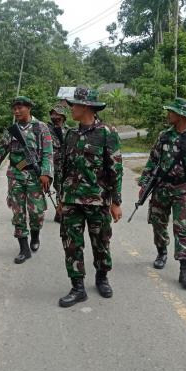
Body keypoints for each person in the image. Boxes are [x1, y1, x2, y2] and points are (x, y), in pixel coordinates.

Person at [58, 86, 123, 308]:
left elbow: (115, 169)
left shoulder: (107, 133)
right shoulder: (70, 134)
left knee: (101, 242)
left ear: (85, 107)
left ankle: (102, 277)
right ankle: (77, 288)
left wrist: (116, 202)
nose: (70, 109)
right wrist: (60, 198)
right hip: (71, 200)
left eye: (73, 105)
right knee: (71, 244)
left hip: (98, 200)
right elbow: (63, 168)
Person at [138, 97, 186, 290]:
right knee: (157, 223)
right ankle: (161, 252)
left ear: (182, 116)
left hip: (183, 189)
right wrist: (144, 184)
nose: (168, 114)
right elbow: (153, 161)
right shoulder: (164, 136)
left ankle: (185, 269)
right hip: (161, 187)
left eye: (172, 112)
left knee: (183, 228)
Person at [0, 96, 53, 264]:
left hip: (35, 176)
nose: (16, 111)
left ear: (29, 108)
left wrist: (46, 173)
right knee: (18, 212)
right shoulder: (11, 131)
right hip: (15, 176)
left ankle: (35, 235)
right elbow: (0, 153)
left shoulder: (41, 128)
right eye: (14, 108)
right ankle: (23, 248)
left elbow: (48, 153)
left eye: (20, 108)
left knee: (36, 213)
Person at [47, 104, 68, 223]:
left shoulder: (68, 130)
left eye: (58, 114)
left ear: (63, 117)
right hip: (47, 164)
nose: (55, 116)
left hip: (61, 164)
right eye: (53, 114)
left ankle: (59, 211)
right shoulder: (45, 129)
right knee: (41, 187)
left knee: (60, 187)